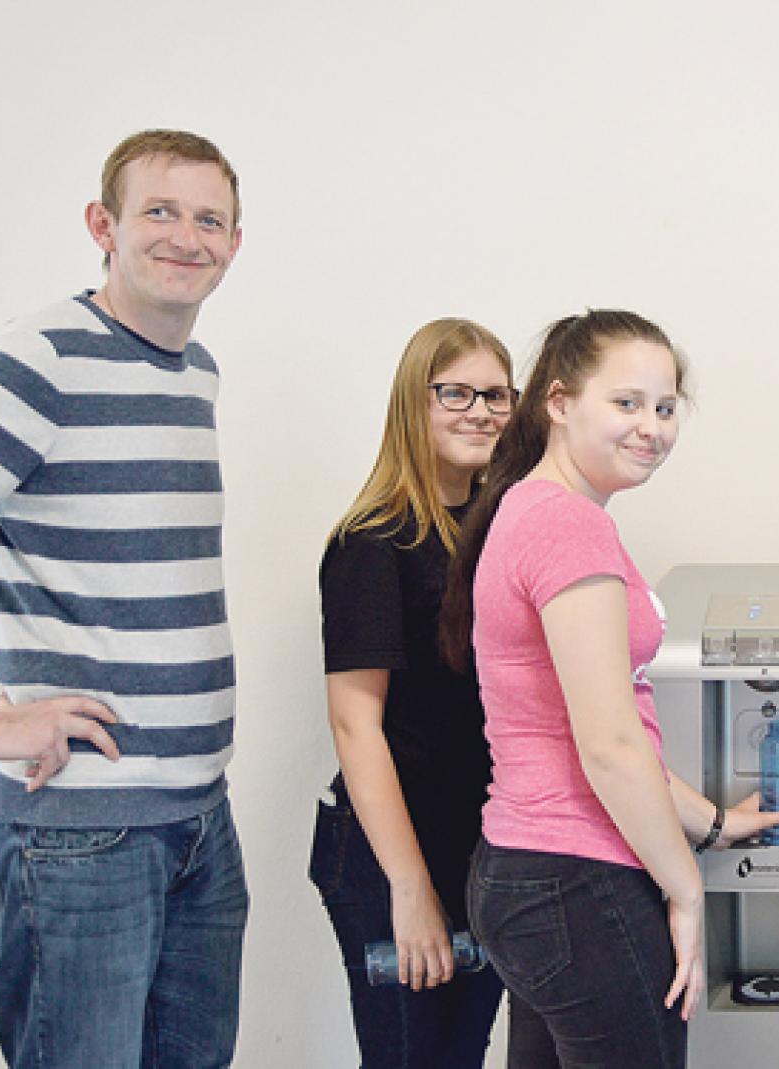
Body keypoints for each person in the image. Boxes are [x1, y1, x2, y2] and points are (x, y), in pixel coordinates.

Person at [439, 310, 779, 1068]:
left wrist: (711, 824)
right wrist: (686, 889)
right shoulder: (569, 526)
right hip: (578, 880)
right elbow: (608, 745)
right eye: (626, 403)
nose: (651, 428)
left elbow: (592, 731)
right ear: (559, 402)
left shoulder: (529, 508)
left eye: (665, 407)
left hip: (527, 871)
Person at [0, 129, 248, 1068]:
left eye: (209, 219)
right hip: (79, 831)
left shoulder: (194, 369)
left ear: (235, 242)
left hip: (198, 818)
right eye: (160, 211)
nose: (187, 237)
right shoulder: (38, 358)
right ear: (104, 225)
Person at [308, 318, 515, 1066]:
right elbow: (354, 724)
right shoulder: (373, 541)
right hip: (391, 854)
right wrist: (409, 887)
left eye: (496, 395)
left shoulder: (497, 529)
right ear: (413, 403)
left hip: (476, 845)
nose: (480, 411)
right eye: (455, 393)